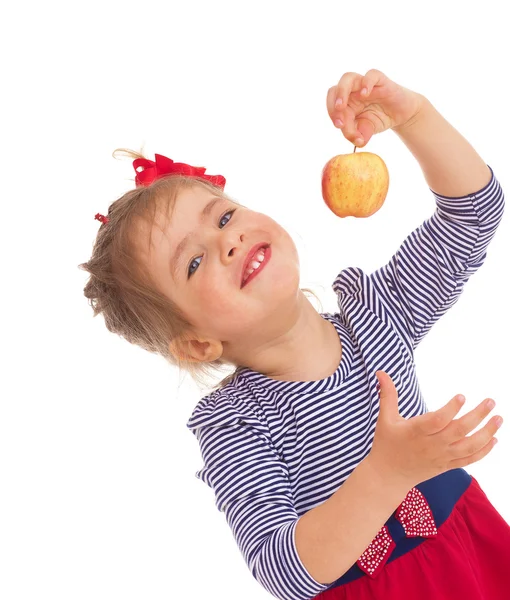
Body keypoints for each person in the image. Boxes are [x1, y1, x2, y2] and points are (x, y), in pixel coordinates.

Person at [80, 69, 509, 600]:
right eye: (193, 263)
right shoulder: (234, 423)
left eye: (223, 217)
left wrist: (414, 118)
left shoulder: (376, 316)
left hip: (475, 555)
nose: (228, 242)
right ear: (197, 343)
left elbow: (473, 213)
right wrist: (388, 472)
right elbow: (284, 570)